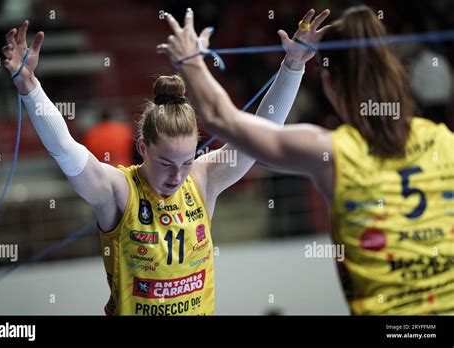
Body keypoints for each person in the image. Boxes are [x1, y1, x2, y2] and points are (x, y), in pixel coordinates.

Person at [2, 18, 312, 315]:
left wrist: (294, 66)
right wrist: (30, 86)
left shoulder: (204, 179)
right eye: (166, 162)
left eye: (187, 161)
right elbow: (65, 148)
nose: (178, 175)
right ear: (142, 148)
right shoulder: (118, 191)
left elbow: (261, 134)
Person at [158, 6, 454, 315]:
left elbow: (223, 118)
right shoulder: (446, 142)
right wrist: (291, 66)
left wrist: (190, 60)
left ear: (329, 81)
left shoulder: (331, 151)